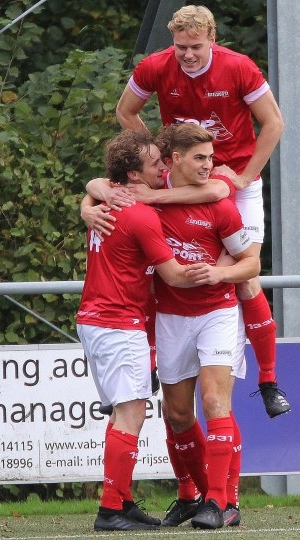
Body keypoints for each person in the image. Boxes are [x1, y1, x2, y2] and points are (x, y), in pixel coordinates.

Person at [112, 4, 290, 418]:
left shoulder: (239, 68)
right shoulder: (156, 66)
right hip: (185, 174)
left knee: (245, 276)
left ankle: (268, 380)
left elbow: (274, 123)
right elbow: (126, 111)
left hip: (232, 178)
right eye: (180, 47)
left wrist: (244, 177)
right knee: (158, 269)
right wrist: (155, 157)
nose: (187, 55)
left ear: (212, 39)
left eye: (195, 46)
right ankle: (153, 364)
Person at [76, 130, 226, 531]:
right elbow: (175, 277)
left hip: (97, 318)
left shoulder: (108, 196)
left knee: (126, 412)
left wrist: (86, 203)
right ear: (133, 174)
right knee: (130, 413)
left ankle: (121, 501)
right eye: (155, 163)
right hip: (117, 321)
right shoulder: (139, 214)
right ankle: (111, 509)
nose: (163, 167)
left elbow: (95, 186)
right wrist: (217, 270)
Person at [151, 123, 259, 529]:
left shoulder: (220, 204)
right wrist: (89, 204)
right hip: (171, 315)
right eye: (200, 158)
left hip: (217, 312)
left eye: (211, 158)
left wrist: (218, 274)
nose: (209, 165)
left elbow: (251, 263)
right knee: (177, 414)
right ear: (175, 159)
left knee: (216, 402)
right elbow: (105, 187)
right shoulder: (151, 195)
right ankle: (201, 494)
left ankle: (220, 500)